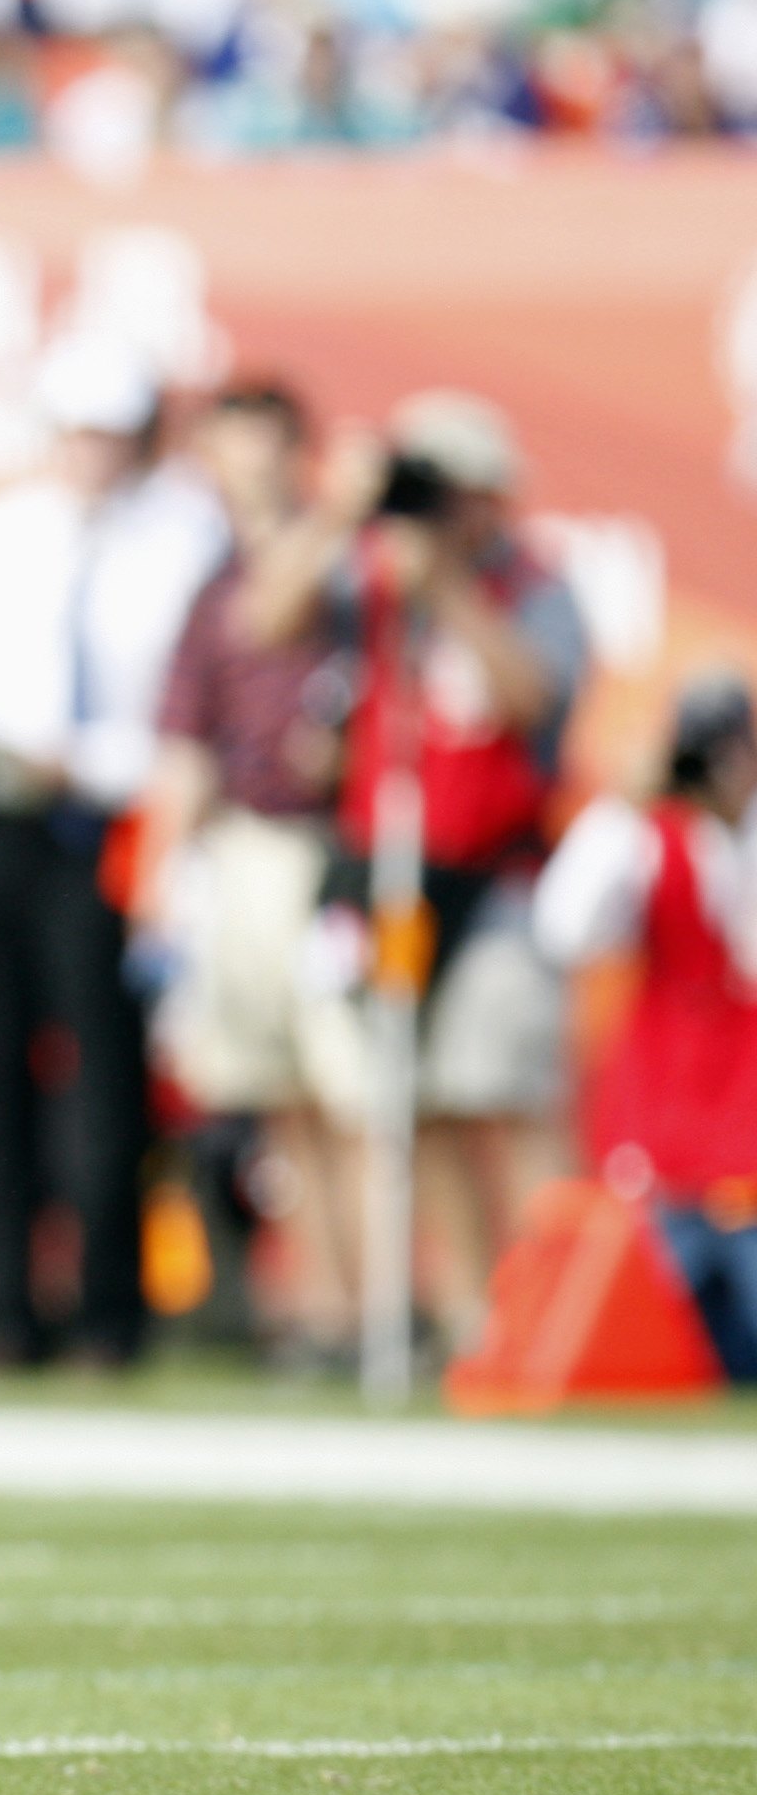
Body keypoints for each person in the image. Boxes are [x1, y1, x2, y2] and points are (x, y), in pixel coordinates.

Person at [0, 335, 230, 1368]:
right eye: (79, 434)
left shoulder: (185, 538)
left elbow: (191, 708)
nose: (94, 454)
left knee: (105, 1071)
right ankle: (3, 1302)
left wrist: (85, 761)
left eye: (112, 435)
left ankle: (109, 1308)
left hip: (106, 826)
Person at [266, 391, 590, 1330]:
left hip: (493, 878)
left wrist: (445, 583)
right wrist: (340, 509)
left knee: (509, 1090)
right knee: (422, 1094)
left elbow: (532, 700)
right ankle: (474, 1313)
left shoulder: (535, 585)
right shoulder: (370, 582)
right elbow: (268, 619)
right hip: (394, 883)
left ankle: (565, 1314)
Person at [127, 382, 359, 1355]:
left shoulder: (350, 564)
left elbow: (279, 613)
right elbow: (184, 743)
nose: (248, 469)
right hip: (246, 848)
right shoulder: (208, 585)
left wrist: (342, 507)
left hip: (336, 850)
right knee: (276, 1097)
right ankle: (323, 1305)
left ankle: (384, 1303)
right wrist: (156, 884)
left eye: (263, 447)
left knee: (351, 1091)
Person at [532, 675, 757, 1380]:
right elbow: (564, 926)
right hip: (665, 1111)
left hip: (745, 1110)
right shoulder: (648, 838)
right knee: (669, 1331)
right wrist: (622, 808)